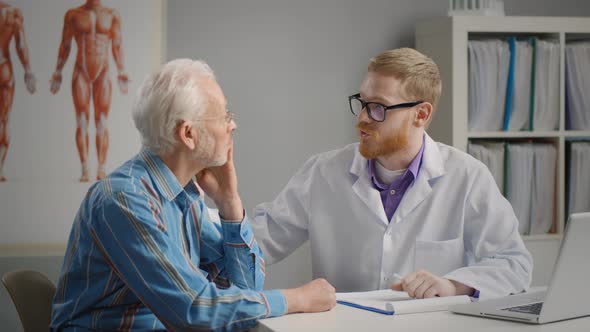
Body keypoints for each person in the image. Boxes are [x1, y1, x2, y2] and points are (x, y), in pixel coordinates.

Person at [50, 59, 336, 331]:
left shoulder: (184, 195)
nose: (232, 125)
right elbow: (194, 310)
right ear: (188, 134)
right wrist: (298, 299)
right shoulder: (125, 200)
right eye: (225, 115)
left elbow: (246, 286)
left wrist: (229, 203)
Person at [251, 48, 533, 299]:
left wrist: (453, 285)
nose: (362, 118)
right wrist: (218, 210)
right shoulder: (323, 172)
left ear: (421, 114)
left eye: (378, 108)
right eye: (362, 103)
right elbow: (259, 240)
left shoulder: (467, 177)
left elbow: (513, 263)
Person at [50, 0, 129, 182]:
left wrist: (121, 71)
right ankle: (85, 168)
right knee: (82, 121)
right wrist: (58, 72)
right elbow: (65, 45)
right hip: (81, 71)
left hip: (103, 72)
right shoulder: (73, 14)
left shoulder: (112, 14)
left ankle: (101, 168)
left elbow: (117, 45)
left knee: (101, 121)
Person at [0, 1, 36, 182]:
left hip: (5, 70)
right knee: (4, 119)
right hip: (3, 67)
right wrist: (27, 71)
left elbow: (21, 45)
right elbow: (20, 45)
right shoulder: (12, 13)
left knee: (5, 119)